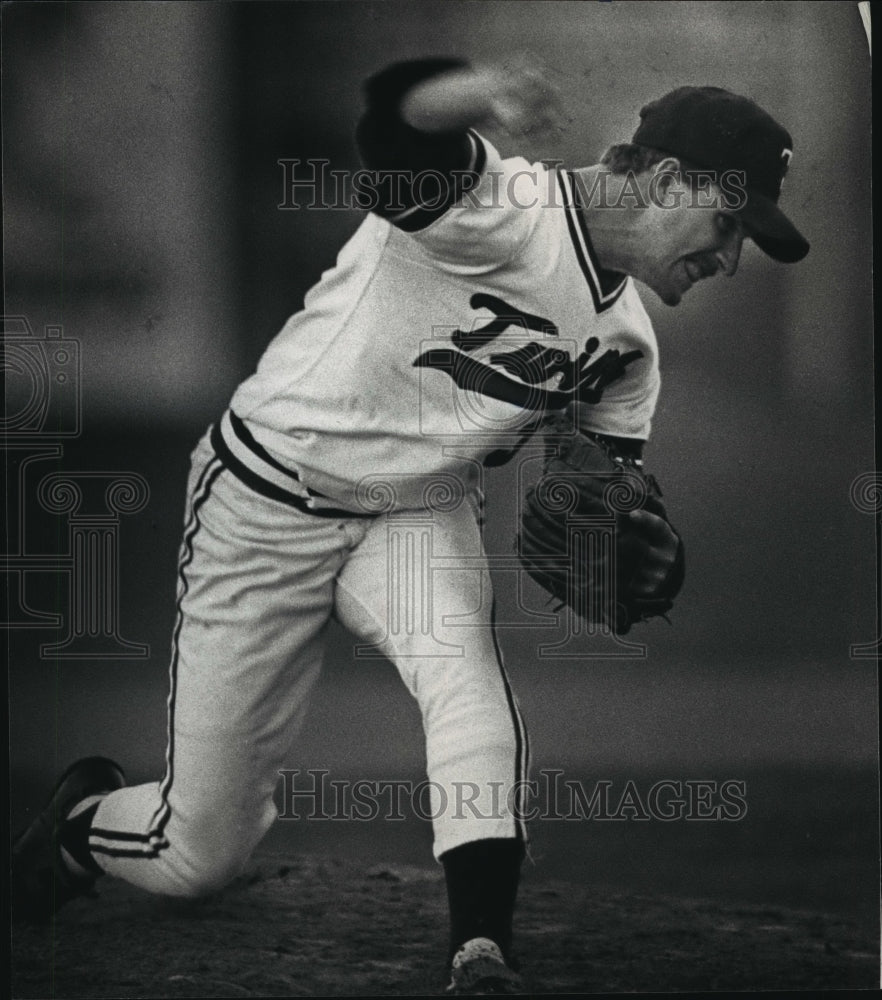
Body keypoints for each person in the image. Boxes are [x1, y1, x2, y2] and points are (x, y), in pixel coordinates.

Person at [12, 56, 809, 994]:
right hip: (264, 502)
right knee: (198, 852)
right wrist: (484, 93)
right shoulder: (500, 210)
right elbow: (394, 120)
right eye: (729, 221)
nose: (731, 256)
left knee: (466, 680)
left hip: (415, 514)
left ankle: (481, 949)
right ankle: (76, 827)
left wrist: (622, 540)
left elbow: (600, 492)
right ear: (669, 181)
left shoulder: (629, 350)